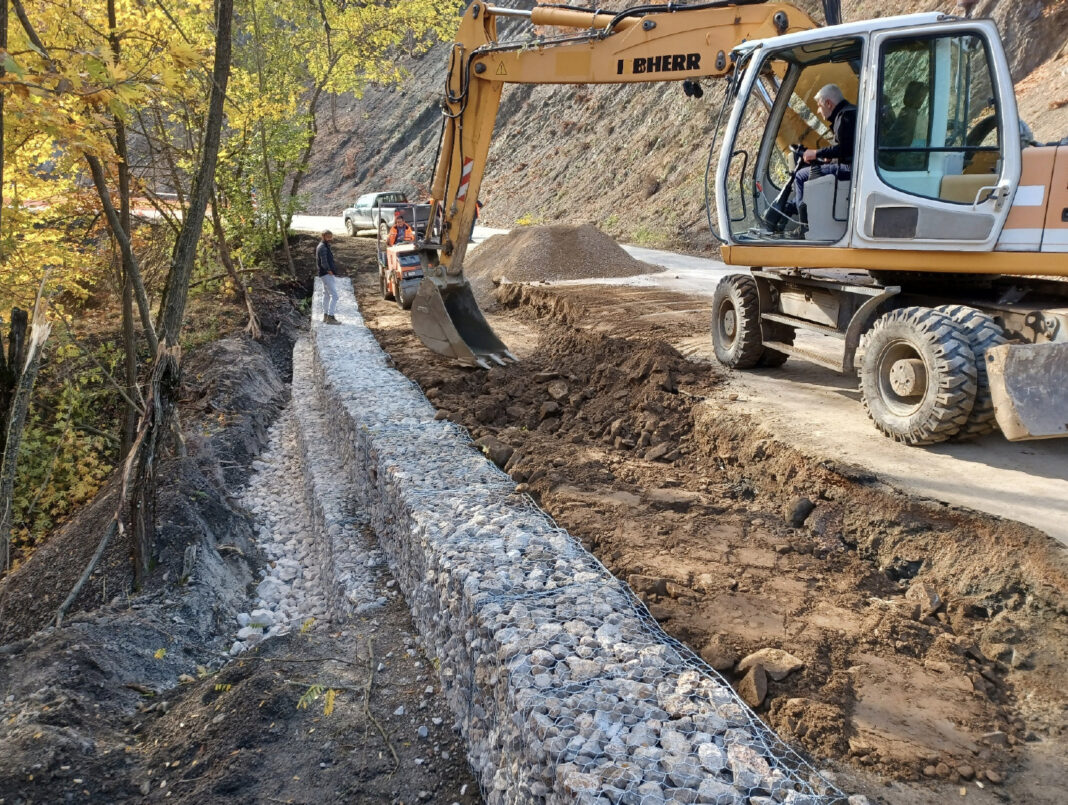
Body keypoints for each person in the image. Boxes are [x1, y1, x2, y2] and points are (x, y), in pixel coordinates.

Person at [792, 84, 857, 232]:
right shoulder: (851, 111)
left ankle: (805, 227)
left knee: (801, 175)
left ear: (829, 103)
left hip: (851, 169)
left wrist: (816, 153)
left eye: (819, 106)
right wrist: (830, 157)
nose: (818, 110)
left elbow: (845, 148)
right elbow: (848, 147)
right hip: (853, 165)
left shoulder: (845, 117)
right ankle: (796, 207)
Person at [316, 230, 340, 324]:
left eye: (331, 236)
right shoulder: (322, 247)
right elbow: (324, 262)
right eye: (328, 237)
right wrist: (329, 270)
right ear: (323, 236)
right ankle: (330, 317)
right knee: (335, 296)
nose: (330, 239)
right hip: (326, 274)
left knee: (326, 295)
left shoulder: (324, 246)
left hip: (323, 273)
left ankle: (325, 316)